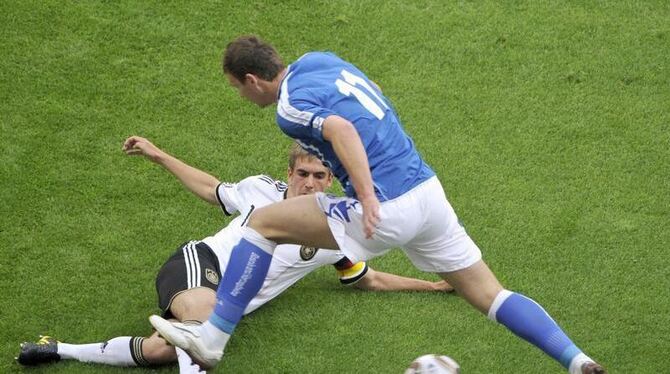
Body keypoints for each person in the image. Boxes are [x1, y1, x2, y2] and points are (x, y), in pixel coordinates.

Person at [149, 36, 607, 374]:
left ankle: (212, 338)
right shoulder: (319, 59)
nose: (241, 96)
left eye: (237, 88)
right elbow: (368, 88)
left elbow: (342, 131)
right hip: (428, 193)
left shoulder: (288, 109)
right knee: (491, 295)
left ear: (253, 80)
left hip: (385, 206)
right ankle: (577, 360)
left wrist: (366, 197)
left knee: (263, 224)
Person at [16, 136, 452, 372]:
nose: (311, 183)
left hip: (225, 308)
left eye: (321, 176)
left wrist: (435, 284)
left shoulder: (335, 233)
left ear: (330, 179)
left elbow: (364, 278)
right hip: (199, 265)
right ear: (289, 173)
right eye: (303, 174)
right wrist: (159, 155)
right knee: (202, 330)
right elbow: (212, 189)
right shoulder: (262, 191)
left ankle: (58, 350)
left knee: (159, 353)